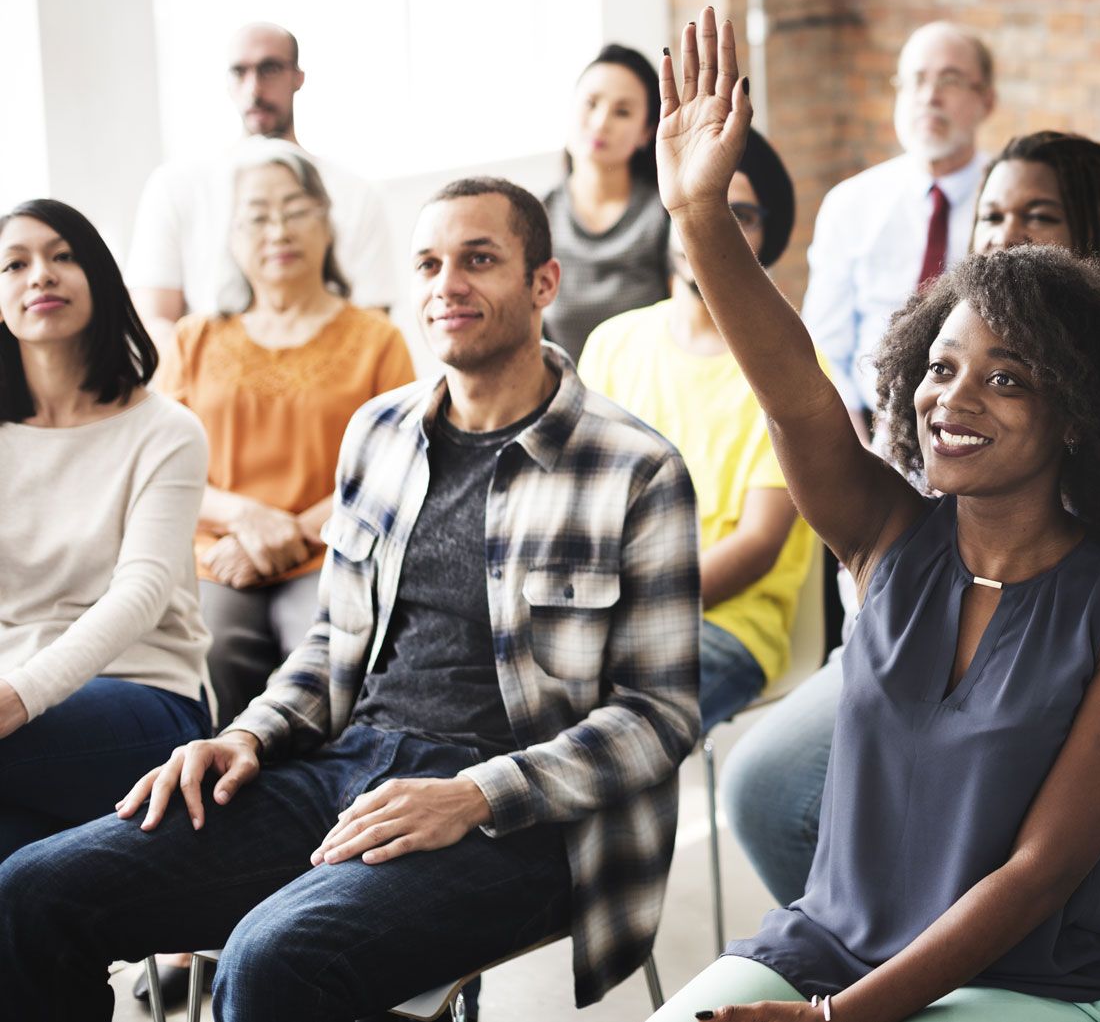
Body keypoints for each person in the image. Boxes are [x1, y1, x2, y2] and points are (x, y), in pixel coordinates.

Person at [0, 178, 701, 1018]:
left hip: (520, 818)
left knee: (269, 961)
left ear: (543, 282)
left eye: (480, 260)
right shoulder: (380, 433)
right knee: (33, 890)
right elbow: (334, 639)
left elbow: (660, 716)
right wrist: (246, 734)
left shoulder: (636, 467)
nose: (449, 284)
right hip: (344, 767)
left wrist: (474, 792)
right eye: (430, 263)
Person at [649, 10, 1100, 1021]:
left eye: (1005, 379)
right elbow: (795, 394)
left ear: (1077, 414)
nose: (953, 399)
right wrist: (699, 214)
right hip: (821, 945)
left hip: (1021, 986)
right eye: (940, 369)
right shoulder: (890, 537)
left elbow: (1036, 876)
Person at [721, 130, 1100, 905]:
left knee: (985, 828)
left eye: (1037, 217)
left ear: (1099, 244)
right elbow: (882, 536)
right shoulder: (950, 375)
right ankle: (877, 942)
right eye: (992, 215)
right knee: (768, 790)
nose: (1007, 235)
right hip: (939, 657)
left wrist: (1008, 690)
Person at [159, 138, 414, 724]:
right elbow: (162, 470)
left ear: (327, 225)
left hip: (335, 550)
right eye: (257, 216)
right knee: (213, 650)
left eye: (295, 210)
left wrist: (291, 534)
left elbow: (397, 469)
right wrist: (248, 523)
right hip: (219, 556)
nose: (278, 231)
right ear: (231, 238)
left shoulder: (376, 339)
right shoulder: (194, 339)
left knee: (323, 658)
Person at [578, 129, 816, 732]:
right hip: (603, 609)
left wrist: (630, 610)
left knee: (596, 726)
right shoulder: (613, 343)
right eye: (701, 206)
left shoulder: (790, 369)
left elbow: (759, 546)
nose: (714, 229)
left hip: (726, 626)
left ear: (768, 236)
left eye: (740, 214)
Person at [0, 200, 212, 860]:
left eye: (63, 256)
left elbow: (140, 592)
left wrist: (16, 697)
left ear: (101, 279)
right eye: (16, 262)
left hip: (145, 699)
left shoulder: (165, 430)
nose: (41, 275)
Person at [127, 22, 396, 337]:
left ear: (298, 77)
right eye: (239, 72)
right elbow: (153, 321)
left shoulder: (356, 194)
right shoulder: (174, 187)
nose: (254, 89)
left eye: (269, 69)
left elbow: (373, 325)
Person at [802, 21, 996, 422]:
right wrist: (856, 452)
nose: (929, 96)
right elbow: (823, 350)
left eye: (951, 80)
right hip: (872, 433)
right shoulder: (850, 204)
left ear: (986, 101)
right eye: (915, 81)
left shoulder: (1008, 202)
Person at [541, 42, 672, 361]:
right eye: (590, 104)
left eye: (622, 112)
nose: (601, 123)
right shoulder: (539, 217)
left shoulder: (664, 216)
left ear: (646, 133)